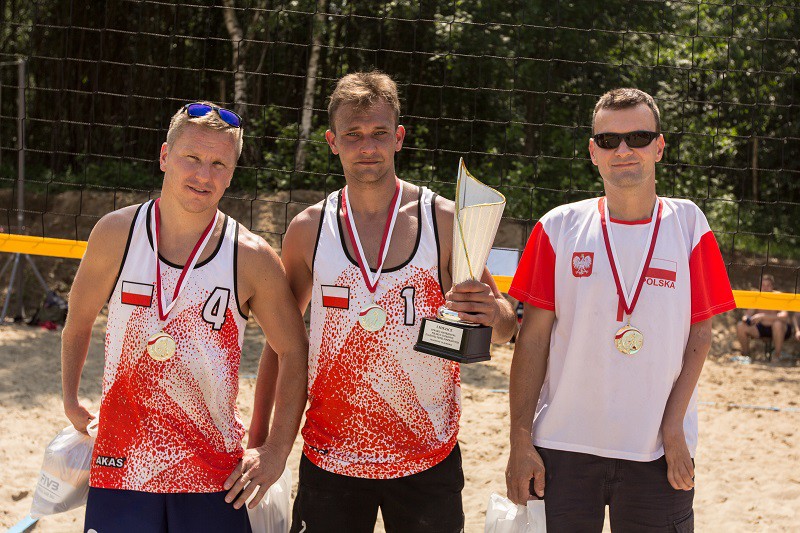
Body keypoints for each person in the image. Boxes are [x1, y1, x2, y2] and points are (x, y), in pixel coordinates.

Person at [257, 71, 516, 533]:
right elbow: (281, 345)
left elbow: (503, 327)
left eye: (379, 133)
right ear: (332, 141)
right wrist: (263, 443)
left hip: (427, 459)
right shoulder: (308, 229)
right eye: (353, 135)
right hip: (331, 458)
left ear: (399, 137)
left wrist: (491, 312)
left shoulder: (444, 221)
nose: (367, 146)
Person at [61, 102, 309, 533]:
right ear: (163, 156)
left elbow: (294, 349)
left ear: (231, 173)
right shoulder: (116, 233)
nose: (203, 175)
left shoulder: (249, 255)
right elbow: (78, 321)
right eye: (191, 158)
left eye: (219, 163)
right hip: (121, 466)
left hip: (214, 475)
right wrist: (70, 400)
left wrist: (275, 450)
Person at [506, 88, 736, 531]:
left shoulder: (689, 224)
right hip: (562, 447)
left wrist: (673, 428)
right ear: (594, 152)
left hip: (656, 451)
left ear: (660, 146)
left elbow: (700, 334)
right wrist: (520, 441)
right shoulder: (557, 227)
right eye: (609, 141)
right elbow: (531, 340)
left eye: (638, 137)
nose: (624, 150)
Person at [736, 274, 793, 360]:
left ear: (772, 286)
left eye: (768, 285)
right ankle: (746, 355)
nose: (765, 288)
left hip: (780, 329)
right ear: (760, 286)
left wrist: (763, 316)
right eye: (763, 285)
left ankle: (777, 356)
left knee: (777, 324)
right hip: (761, 328)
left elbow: (784, 316)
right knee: (740, 326)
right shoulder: (757, 297)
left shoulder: (778, 296)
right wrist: (747, 319)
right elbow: (747, 314)